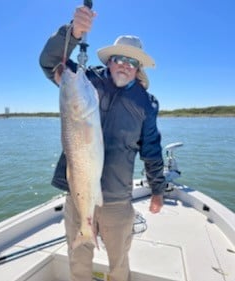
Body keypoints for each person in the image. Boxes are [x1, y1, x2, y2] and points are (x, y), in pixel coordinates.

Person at [39, 5, 167, 281]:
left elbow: (152, 151)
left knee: (118, 262)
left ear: (138, 68)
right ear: (109, 61)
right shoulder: (85, 80)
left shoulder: (146, 105)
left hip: (117, 200)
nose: (124, 65)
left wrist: (157, 189)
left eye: (132, 62)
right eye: (119, 58)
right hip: (78, 194)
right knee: (79, 261)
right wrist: (72, 33)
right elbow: (50, 63)